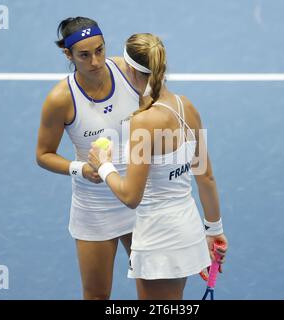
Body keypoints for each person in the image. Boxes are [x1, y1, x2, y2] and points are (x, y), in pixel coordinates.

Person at [87, 33, 228, 300]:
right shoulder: (186, 106)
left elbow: (131, 196)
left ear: (129, 69)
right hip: (188, 230)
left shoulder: (144, 123)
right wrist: (215, 231)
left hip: (159, 242)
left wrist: (104, 166)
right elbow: (206, 177)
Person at [35, 17, 140, 299]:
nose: (95, 61)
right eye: (84, 55)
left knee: (152, 289)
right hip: (95, 208)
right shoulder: (60, 99)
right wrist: (80, 169)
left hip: (139, 196)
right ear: (68, 55)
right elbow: (43, 155)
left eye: (100, 50)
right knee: (96, 296)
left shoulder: (127, 72)